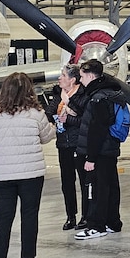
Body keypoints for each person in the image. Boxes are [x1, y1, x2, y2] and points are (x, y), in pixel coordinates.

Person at [0, 72, 54, 258]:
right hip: (30, 173)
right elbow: (46, 137)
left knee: (2, 218)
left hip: (0, 174)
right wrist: (53, 127)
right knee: (29, 215)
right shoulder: (36, 113)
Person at [71, 59, 127, 240]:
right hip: (110, 149)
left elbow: (97, 129)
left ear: (89, 75)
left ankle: (96, 225)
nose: (80, 80)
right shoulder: (111, 92)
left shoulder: (98, 98)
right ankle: (113, 222)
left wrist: (91, 158)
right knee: (111, 186)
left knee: (96, 188)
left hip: (100, 151)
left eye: (81, 76)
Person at [43, 64, 86, 231]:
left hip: (78, 143)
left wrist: (69, 118)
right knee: (67, 182)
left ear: (72, 80)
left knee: (84, 181)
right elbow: (49, 112)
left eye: (63, 75)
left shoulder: (82, 96)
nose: (59, 78)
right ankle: (71, 215)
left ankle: (85, 215)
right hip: (63, 144)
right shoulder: (58, 95)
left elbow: (85, 120)